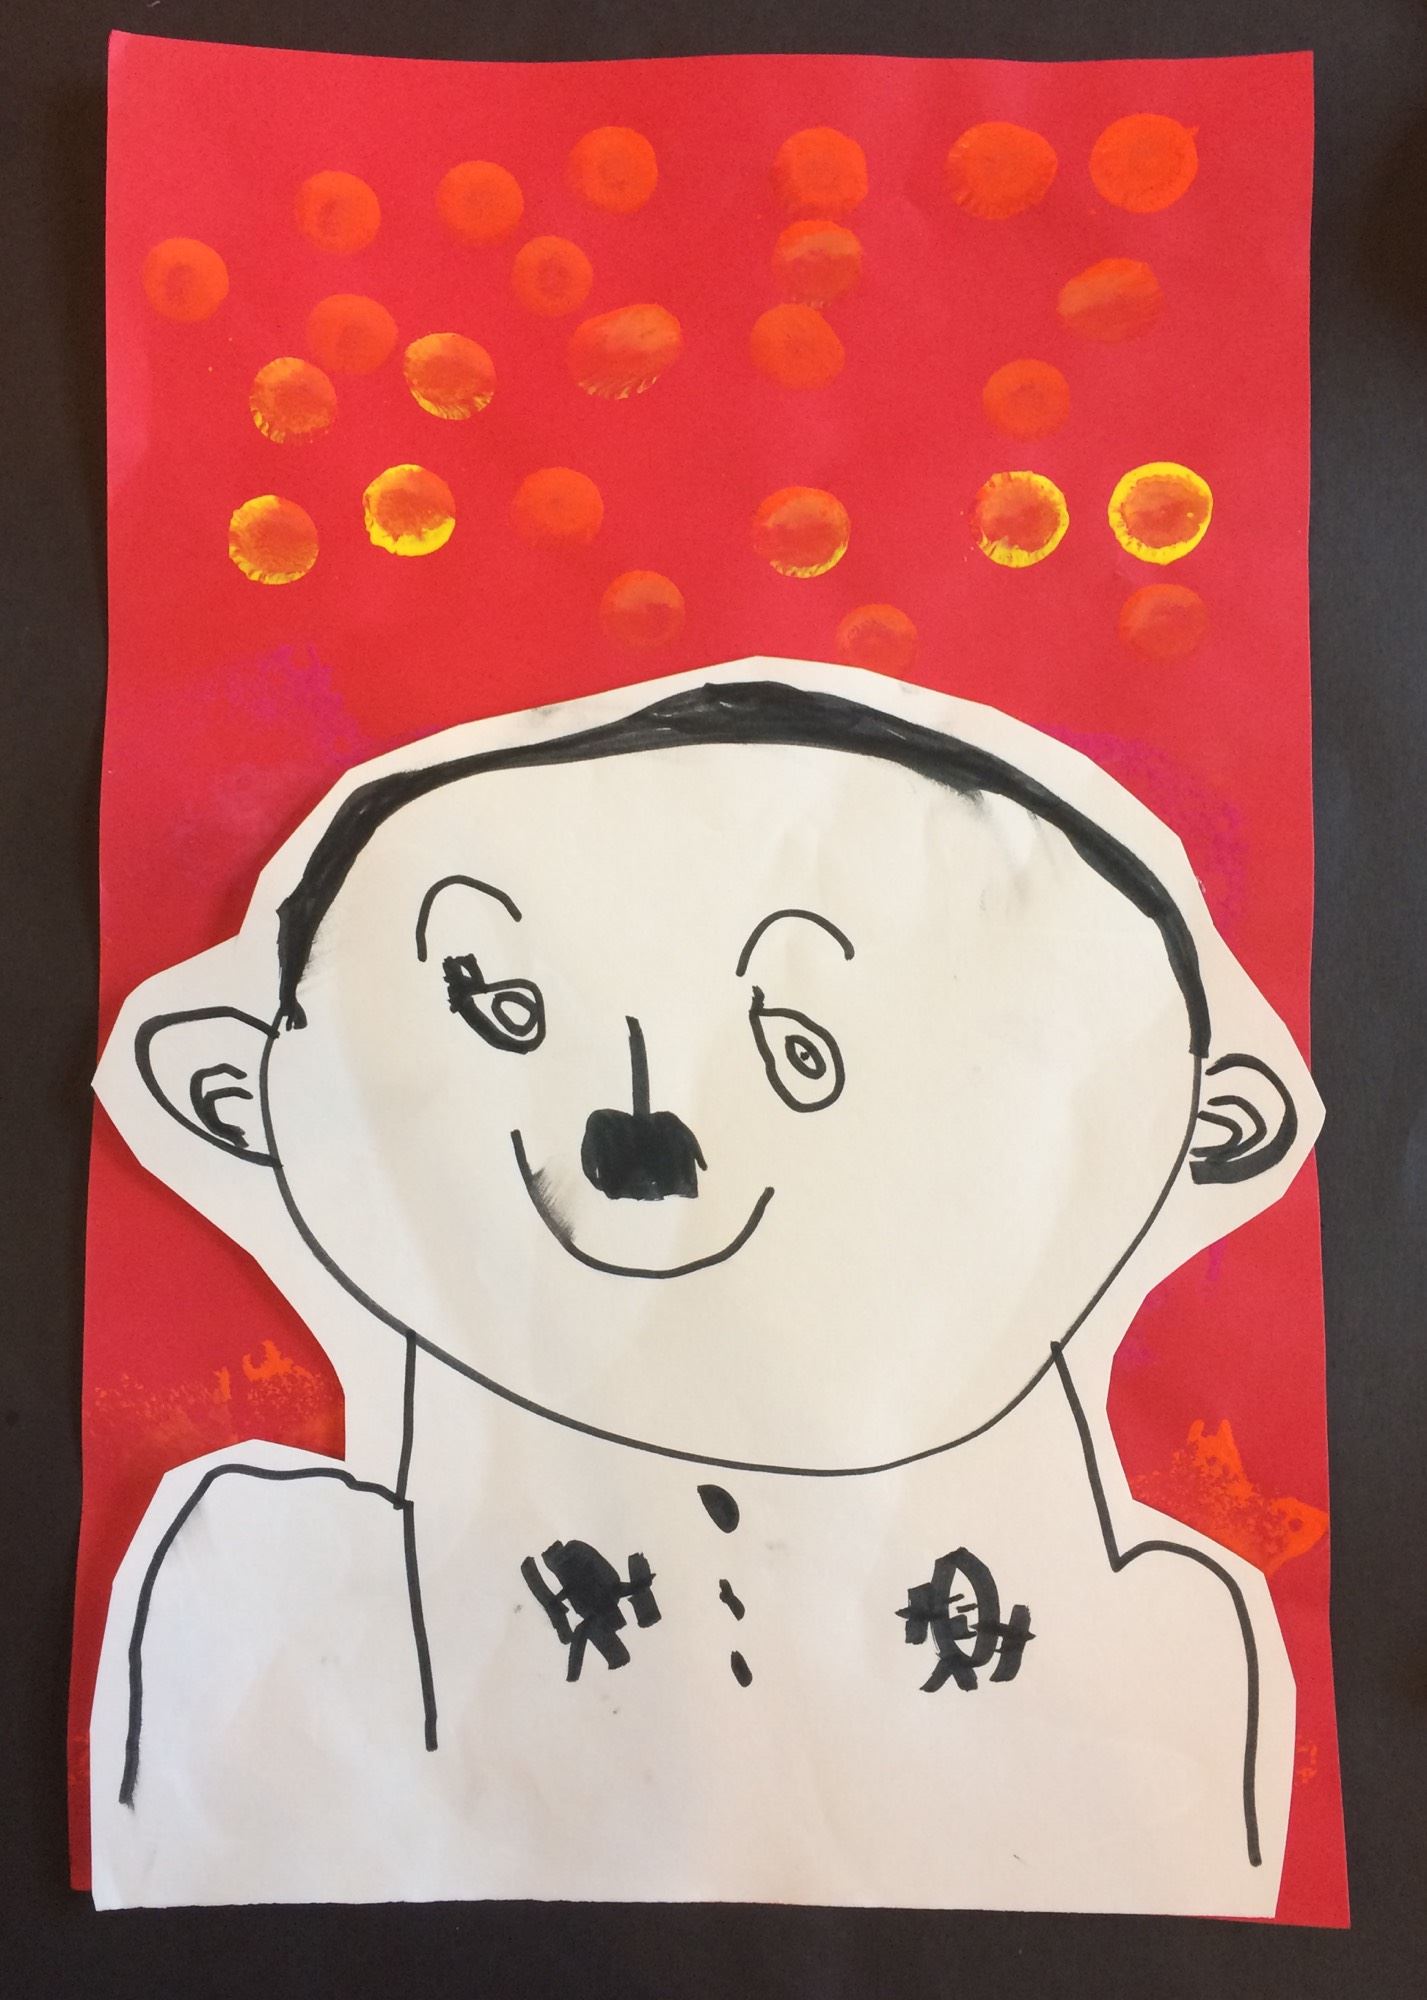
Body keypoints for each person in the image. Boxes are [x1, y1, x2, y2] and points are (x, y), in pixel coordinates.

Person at [88, 661, 1319, 1914]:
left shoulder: (1167, 1659)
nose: (639, 1138)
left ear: (1201, 1134)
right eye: (504, 1010)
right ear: (239, 1099)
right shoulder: (262, 1611)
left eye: (804, 1052)